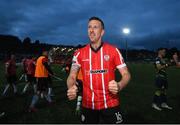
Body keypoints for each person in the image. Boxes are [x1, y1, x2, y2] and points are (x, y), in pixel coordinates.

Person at [67, 16, 131, 124]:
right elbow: (72, 76)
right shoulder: (79, 53)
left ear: (102, 32)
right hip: (88, 104)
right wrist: (71, 87)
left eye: (95, 27)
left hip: (110, 103)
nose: (91, 30)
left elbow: (126, 74)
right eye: (89, 27)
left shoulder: (113, 51)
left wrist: (119, 85)